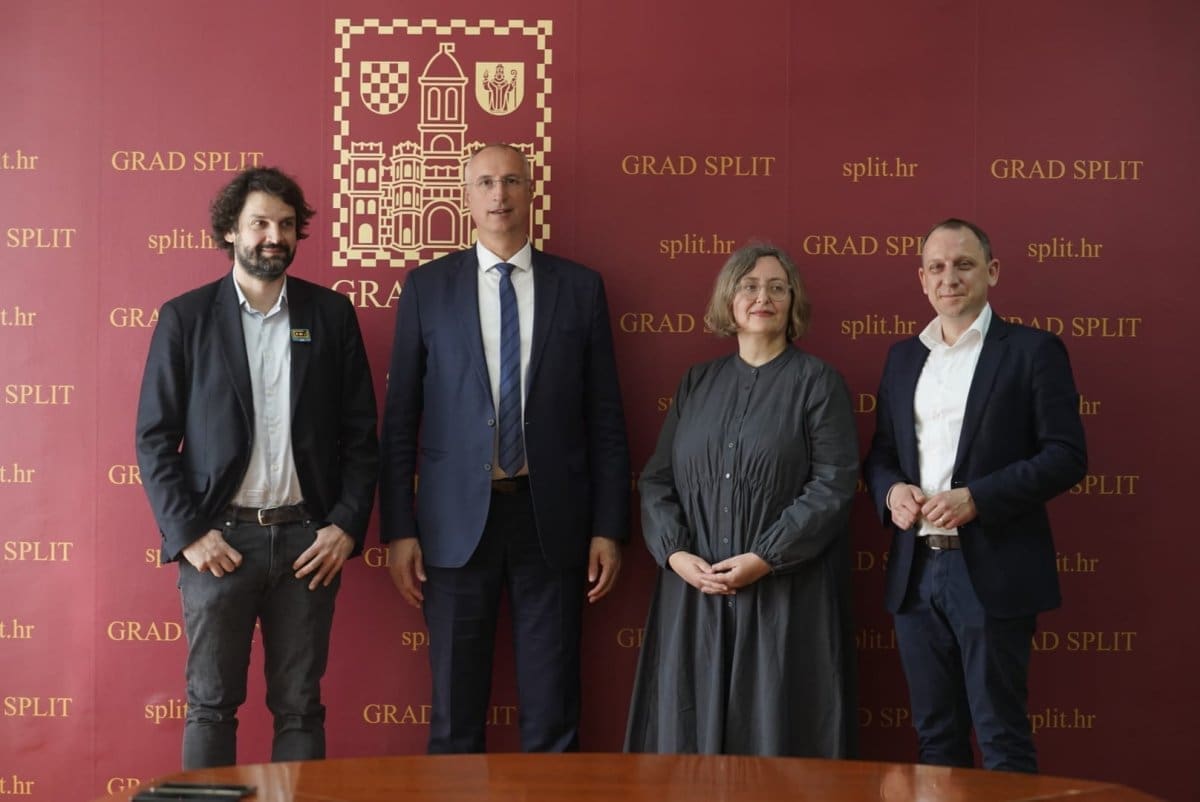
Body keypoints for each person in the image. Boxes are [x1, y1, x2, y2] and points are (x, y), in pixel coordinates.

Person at [379, 143, 630, 753]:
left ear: (530, 192)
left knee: (553, 715)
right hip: (453, 524)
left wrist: (608, 527)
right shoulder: (427, 288)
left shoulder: (580, 288)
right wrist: (399, 530)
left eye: (512, 181)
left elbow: (605, 420)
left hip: (553, 521)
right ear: (466, 196)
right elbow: (401, 421)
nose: (500, 194)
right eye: (486, 182)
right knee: (454, 719)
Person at [135, 167, 379, 769]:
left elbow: (361, 437)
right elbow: (154, 439)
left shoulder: (331, 314)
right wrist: (189, 534)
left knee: (301, 708)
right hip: (219, 544)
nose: (274, 236)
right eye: (260, 223)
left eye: (286, 225)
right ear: (230, 231)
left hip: (308, 544)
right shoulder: (186, 318)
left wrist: (346, 527)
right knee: (210, 707)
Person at [863, 218, 1087, 772]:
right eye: (937, 267)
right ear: (922, 279)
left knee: (1001, 739)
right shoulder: (902, 358)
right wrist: (891, 492)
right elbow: (882, 454)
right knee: (935, 741)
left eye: (963, 264)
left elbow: (1066, 456)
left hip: (992, 570)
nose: (950, 277)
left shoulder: (1033, 350)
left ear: (992, 271)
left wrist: (977, 498)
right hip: (915, 573)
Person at [625, 242, 859, 756]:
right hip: (695, 593)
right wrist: (675, 554)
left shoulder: (818, 383)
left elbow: (833, 484)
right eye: (749, 286)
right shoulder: (696, 383)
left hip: (784, 595)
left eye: (777, 287)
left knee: (776, 736)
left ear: (793, 302)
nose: (763, 298)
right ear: (728, 299)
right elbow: (658, 480)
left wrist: (766, 557)